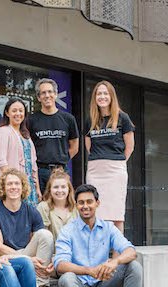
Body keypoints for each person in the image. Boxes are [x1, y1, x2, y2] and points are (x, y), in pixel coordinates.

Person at [0, 168, 63, 287]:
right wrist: (26, 259)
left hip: (25, 252)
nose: (13, 187)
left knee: (45, 234)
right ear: (3, 187)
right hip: (6, 256)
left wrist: (29, 257)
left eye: (17, 183)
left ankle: (41, 284)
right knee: (23, 263)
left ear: (23, 187)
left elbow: (38, 240)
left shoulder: (30, 209)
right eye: (9, 183)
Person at [85, 80, 135, 233]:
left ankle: (118, 253)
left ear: (111, 96)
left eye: (105, 93)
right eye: (99, 94)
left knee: (116, 213)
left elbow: (130, 147)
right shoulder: (91, 119)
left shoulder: (122, 117)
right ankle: (98, 251)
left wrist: (117, 161)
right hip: (95, 170)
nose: (102, 97)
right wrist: (99, 160)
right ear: (95, 97)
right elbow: (89, 146)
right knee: (95, 211)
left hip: (115, 170)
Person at [28, 78, 79, 193]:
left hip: (61, 170)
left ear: (56, 94)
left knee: (61, 204)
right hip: (40, 171)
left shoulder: (68, 119)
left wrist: (61, 160)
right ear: (38, 97)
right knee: (40, 206)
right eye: (43, 93)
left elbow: (74, 146)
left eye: (50, 92)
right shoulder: (31, 120)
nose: (47, 95)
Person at [0, 97, 41, 206]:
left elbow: (33, 165)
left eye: (21, 111)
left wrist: (37, 187)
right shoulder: (3, 131)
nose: (18, 114)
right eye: (14, 110)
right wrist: (13, 183)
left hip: (28, 187)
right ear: (7, 113)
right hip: (11, 187)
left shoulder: (26, 136)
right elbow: (2, 161)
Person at [37, 168, 78, 243]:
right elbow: (43, 237)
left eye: (63, 187)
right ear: (50, 189)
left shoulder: (76, 208)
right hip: (51, 252)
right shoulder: (43, 207)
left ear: (69, 189)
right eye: (56, 187)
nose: (59, 190)